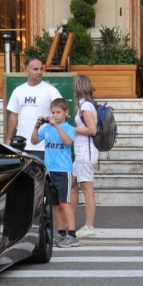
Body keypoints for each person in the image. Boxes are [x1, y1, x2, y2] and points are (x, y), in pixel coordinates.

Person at [30, 98, 78, 248]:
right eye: (53, 112)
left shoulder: (69, 128)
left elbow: (68, 142)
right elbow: (34, 141)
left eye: (58, 112)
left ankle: (72, 235)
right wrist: (37, 127)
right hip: (50, 171)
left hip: (64, 171)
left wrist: (57, 126)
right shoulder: (47, 129)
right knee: (55, 205)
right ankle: (61, 233)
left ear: (66, 113)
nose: (55, 115)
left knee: (65, 203)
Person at [4, 57, 62, 163]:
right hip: (21, 144)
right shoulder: (18, 91)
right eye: (35, 69)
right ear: (27, 71)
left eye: (41, 69)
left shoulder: (51, 91)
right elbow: (14, 115)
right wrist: (9, 139)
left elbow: (62, 113)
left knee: (41, 178)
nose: (39, 72)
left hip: (43, 145)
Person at [70, 74, 100, 238]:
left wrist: (71, 129)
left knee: (86, 188)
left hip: (85, 150)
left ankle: (89, 226)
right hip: (82, 150)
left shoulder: (85, 106)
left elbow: (92, 130)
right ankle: (70, 223)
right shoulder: (87, 104)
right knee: (73, 184)